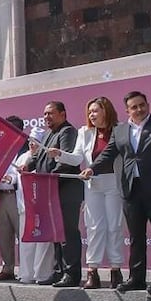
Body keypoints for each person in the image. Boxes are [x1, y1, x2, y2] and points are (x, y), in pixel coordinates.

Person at [83, 91, 151, 293]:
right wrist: (92, 168)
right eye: (134, 107)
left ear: (147, 104)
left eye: (142, 105)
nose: (139, 109)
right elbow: (109, 153)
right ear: (127, 110)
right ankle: (136, 278)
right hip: (131, 190)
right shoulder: (120, 131)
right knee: (136, 236)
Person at [53, 97, 124, 289]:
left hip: (114, 184)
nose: (92, 115)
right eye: (90, 112)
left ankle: (116, 270)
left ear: (106, 111)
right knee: (94, 227)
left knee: (114, 227)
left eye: (96, 111)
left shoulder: (119, 130)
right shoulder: (84, 132)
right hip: (92, 184)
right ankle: (92, 271)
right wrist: (60, 154)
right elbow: (76, 159)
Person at [28, 101, 84, 287]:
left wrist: (49, 180)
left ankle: (72, 274)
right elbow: (37, 158)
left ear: (63, 114)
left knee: (68, 233)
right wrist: (27, 165)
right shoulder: (47, 135)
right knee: (56, 234)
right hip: (51, 191)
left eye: (51, 113)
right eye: (44, 114)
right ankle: (59, 271)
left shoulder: (67, 131)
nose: (46, 117)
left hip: (66, 190)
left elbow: (66, 161)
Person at [17, 127, 56, 284]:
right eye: (30, 142)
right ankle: (26, 274)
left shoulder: (46, 158)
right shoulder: (22, 158)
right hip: (24, 207)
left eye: (36, 142)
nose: (32, 145)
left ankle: (42, 274)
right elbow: (13, 179)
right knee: (26, 243)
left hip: (43, 207)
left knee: (43, 243)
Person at [0, 115, 26, 281]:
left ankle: (26, 268)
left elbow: (24, 171)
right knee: (4, 234)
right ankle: (8, 268)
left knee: (22, 233)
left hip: (17, 195)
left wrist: (11, 179)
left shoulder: (26, 148)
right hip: (0, 196)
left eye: (8, 128)